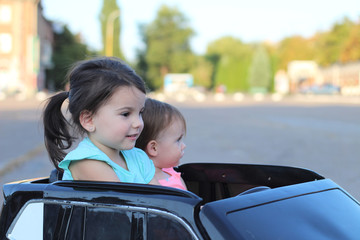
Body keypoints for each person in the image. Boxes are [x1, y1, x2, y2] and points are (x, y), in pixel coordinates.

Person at [43, 57, 158, 184]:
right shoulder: (86, 162)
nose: (139, 123)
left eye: (140, 112)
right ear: (89, 120)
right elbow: (124, 201)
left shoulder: (137, 157)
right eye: (125, 114)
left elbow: (162, 198)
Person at [135, 98, 187, 190]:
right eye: (178, 140)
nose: (183, 146)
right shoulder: (142, 182)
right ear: (154, 148)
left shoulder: (171, 172)